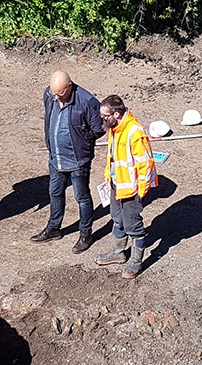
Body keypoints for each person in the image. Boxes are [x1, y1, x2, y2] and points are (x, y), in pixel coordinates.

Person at [30, 70, 105, 254]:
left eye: (60, 93)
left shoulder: (87, 102)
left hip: (78, 160)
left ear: (69, 86)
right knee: (55, 193)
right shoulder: (50, 94)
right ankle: (53, 228)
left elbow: (100, 128)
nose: (55, 97)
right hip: (56, 158)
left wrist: (83, 138)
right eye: (53, 92)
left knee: (82, 198)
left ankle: (86, 234)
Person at [94, 95, 157, 278]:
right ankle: (117, 252)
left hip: (132, 189)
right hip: (116, 185)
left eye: (105, 116)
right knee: (117, 218)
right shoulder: (114, 128)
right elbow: (113, 157)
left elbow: (145, 164)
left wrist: (141, 191)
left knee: (133, 225)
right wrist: (108, 176)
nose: (102, 120)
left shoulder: (134, 132)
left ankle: (136, 261)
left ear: (116, 114)